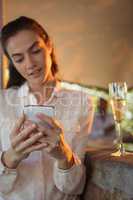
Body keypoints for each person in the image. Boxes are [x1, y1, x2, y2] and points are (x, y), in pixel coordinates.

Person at [0, 16, 94, 200]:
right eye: (19, 59)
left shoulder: (81, 102)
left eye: (35, 51)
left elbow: (74, 188)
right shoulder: (2, 102)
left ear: (49, 45)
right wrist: (12, 157)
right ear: (11, 62)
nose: (30, 64)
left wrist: (64, 155)